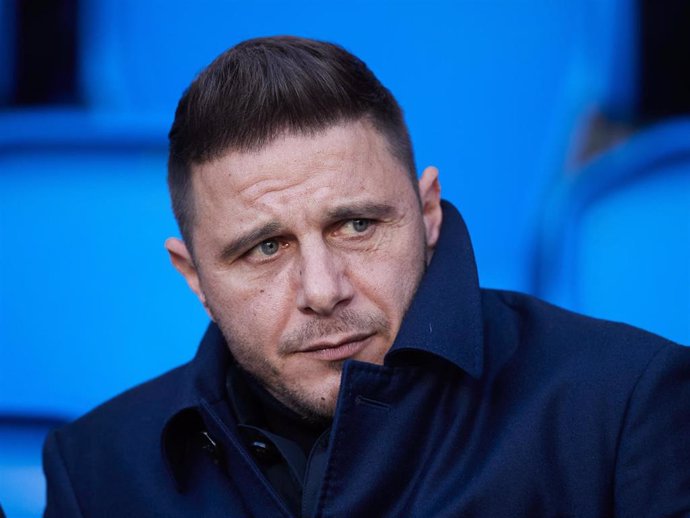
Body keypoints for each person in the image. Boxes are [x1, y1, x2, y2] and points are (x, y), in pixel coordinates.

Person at [43, 36, 690, 517]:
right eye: (265, 248)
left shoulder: (626, 409)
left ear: (428, 213)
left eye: (356, 226)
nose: (324, 291)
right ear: (194, 277)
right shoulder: (96, 470)